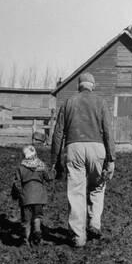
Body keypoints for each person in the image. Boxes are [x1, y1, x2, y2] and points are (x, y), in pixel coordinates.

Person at [51, 72, 115, 247]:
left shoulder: (68, 103)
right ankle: (94, 222)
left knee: (77, 192)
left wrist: (55, 160)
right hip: (97, 148)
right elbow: (109, 132)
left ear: (79, 86)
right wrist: (111, 159)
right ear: (92, 85)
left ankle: (79, 237)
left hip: (74, 148)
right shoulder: (101, 103)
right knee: (98, 186)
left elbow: (57, 134)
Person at [11, 145, 55, 245]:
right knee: (37, 217)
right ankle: (37, 235)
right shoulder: (41, 165)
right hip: (39, 197)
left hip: (26, 196)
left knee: (26, 220)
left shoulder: (21, 167)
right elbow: (49, 177)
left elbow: (16, 183)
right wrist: (53, 171)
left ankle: (25, 240)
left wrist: (16, 194)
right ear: (35, 154)